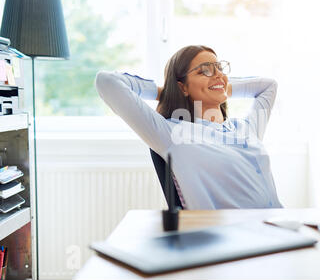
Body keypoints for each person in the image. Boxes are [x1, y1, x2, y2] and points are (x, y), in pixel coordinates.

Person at [95, 45, 283, 209]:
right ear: (183, 87)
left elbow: (269, 86)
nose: (218, 74)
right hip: (233, 239)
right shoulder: (174, 135)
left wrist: (220, 85)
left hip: (279, 229)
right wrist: (166, 92)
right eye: (205, 71)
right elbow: (107, 82)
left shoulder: (245, 128)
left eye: (219, 68)